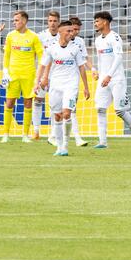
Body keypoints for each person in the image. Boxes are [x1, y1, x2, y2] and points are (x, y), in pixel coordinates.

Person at [34, 20, 90, 156]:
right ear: (60, 32)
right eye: (69, 31)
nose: (72, 33)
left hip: (71, 85)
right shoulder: (51, 48)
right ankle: (59, 147)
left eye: (72, 31)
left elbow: (82, 68)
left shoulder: (75, 48)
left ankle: (65, 144)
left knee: (67, 113)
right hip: (55, 86)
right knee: (57, 116)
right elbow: (42, 65)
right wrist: (38, 82)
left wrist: (86, 87)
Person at [93, 11, 131, 149]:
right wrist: (99, 73)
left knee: (119, 111)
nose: (95, 24)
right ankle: (102, 142)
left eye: (97, 21)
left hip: (116, 79)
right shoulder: (98, 40)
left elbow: (119, 57)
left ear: (105, 22)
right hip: (104, 79)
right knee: (100, 109)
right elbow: (101, 59)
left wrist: (109, 75)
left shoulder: (114, 38)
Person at [1, 10, 44, 143]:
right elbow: (7, 55)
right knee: (9, 103)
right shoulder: (10, 36)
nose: (14, 23)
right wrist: (5, 72)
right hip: (13, 75)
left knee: (28, 103)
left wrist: (40, 76)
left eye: (17, 20)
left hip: (29, 75)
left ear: (24, 21)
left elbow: (41, 56)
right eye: (14, 20)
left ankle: (25, 135)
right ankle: (6, 134)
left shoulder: (34, 37)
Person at [63, 16, 90, 147]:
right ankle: (54, 136)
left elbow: (83, 62)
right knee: (57, 110)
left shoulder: (79, 42)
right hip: (58, 81)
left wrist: (86, 86)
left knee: (71, 110)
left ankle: (77, 137)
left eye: (78, 30)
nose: (75, 32)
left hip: (73, 82)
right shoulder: (59, 42)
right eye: (73, 29)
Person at [33, 10, 60, 141]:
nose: (52, 23)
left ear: (59, 22)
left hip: (57, 75)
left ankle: (53, 133)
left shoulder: (62, 36)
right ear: (47, 22)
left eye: (55, 21)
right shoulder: (40, 36)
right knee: (38, 101)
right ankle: (36, 131)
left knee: (55, 105)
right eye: (50, 21)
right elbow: (33, 53)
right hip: (43, 74)